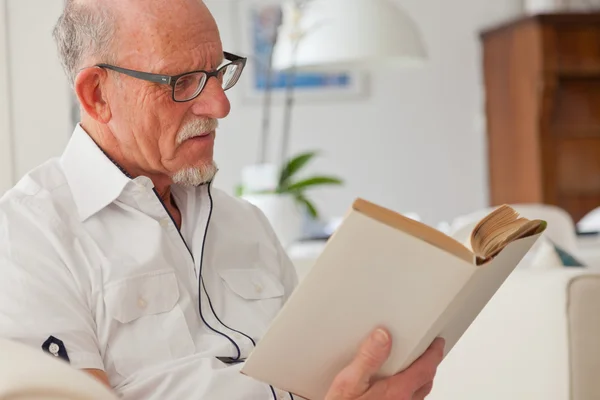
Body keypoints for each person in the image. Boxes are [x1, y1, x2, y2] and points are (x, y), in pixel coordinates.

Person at [0, 0, 445, 399]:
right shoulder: (28, 237)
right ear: (97, 95)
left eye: (217, 72)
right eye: (184, 81)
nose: (218, 105)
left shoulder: (248, 224)